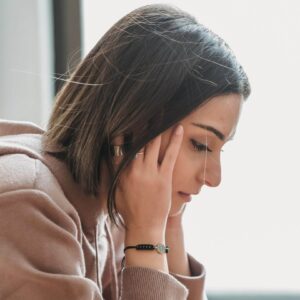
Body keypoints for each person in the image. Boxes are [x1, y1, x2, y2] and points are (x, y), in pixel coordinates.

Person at [0, 3, 250, 300]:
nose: (215, 178)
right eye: (202, 145)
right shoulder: (29, 204)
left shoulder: (115, 211)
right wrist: (147, 241)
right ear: (136, 122)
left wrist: (168, 227)